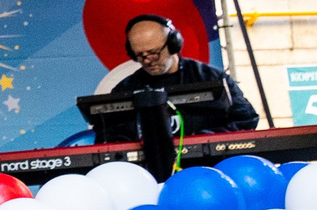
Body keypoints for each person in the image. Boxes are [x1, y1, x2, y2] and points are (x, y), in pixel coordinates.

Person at [90, 15, 259, 143]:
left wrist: (207, 138)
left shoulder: (210, 78)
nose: (148, 60)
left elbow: (246, 119)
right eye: (140, 56)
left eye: (154, 53)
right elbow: (107, 136)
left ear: (173, 44)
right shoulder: (125, 89)